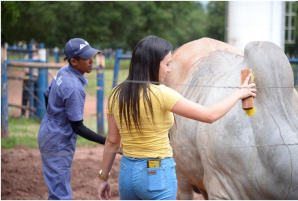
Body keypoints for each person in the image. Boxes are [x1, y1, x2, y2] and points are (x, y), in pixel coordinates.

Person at [97, 35, 256, 201]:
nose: (169, 69)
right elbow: (209, 115)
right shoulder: (162, 94)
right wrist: (239, 93)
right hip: (157, 174)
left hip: (127, 173)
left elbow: (112, 142)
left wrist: (104, 178)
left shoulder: (116, 94)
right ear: (153, 63)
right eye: (166, 63)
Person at [38, 38, 106, 200]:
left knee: (58, 188)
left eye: (92, 56)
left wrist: (55, 116)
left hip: (49, 130)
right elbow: (77, 127)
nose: (92, 61)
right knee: (61, 194)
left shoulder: (63, 71)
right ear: (74, 61)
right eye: (86, 58)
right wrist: (107, 141)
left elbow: (47, 95)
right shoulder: (74, 87)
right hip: (58, 140)